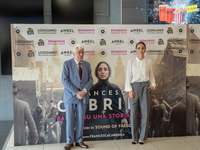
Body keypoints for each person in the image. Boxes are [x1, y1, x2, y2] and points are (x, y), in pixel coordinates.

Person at [84, 61, 130, 140]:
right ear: (96, 72)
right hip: (95, 125)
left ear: (109, 72)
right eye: (100, 70)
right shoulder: (91, 89)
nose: (102, 72)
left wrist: (123, 117)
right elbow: (87, 108)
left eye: (105, 69)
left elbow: (120, 106)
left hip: (111, 123)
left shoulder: (115, 88)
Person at [62, 44, 93, 150]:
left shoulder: (87, 65)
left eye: (83, 52)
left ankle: (79, 140)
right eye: (79, 52)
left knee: (80, 120)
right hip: (70, 96)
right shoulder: (67, 64)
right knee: (70, 120)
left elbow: (90, 80)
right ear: (74, 53)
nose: (81, 54)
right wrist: (77, 92)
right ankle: (69, 141)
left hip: (83, 96)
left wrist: (83, 91)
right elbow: (64, 80)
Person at [125, 42, 155, 144]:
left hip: (145, 88)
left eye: (142, 48)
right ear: (136, 49)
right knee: (133, 114)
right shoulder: (131, 62)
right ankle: (134, 138)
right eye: (139, 48)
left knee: (145, 113)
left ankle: (142, 138)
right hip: (134, 87)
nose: (141, 50)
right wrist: (129, 90)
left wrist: (152, 85)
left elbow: (152, 77)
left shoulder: (149, 62)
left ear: (145, 49)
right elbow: (128, 77)